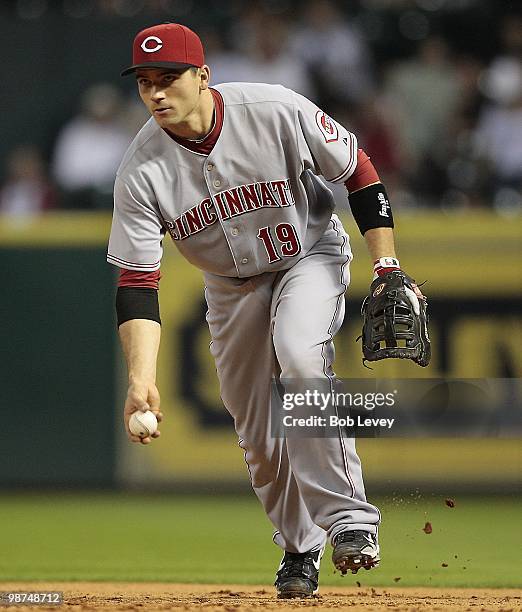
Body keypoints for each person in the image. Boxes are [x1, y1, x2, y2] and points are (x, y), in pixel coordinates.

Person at [108, 23, 425, 599]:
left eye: (170, 79)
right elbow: (137, 283)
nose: (156, 94)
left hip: (308, 254)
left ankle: (350, 521)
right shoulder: (141, 169)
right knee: (257, 432)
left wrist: (386, 266)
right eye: (146, 83)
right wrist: (140, 379)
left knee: (301, 358)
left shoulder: (273, 108)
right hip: (229, 287)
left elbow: (359, 171)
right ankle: (299, 548)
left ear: (203, 76)